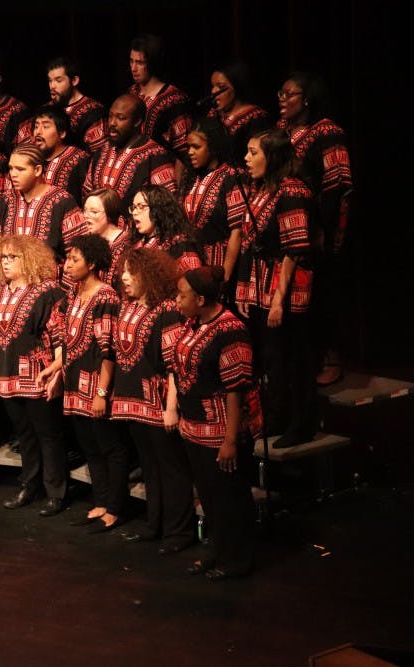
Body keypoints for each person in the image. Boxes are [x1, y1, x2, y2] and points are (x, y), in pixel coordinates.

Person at [174, 265, 262, 580]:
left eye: (182, 295)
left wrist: (229, 441)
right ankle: (215, 550)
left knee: (230, 499)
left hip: (221, 432)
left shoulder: (231, 331)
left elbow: (236, 389)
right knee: (209, 497)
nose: (177, 300)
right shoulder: (193, 323)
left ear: (200, 298)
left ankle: (237, 558)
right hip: (195, 429)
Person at [112, 247, 196, 554]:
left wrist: (172, 407)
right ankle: (155, 524)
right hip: (132, 400)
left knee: (171, 468)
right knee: (150, 466)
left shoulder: (167, 311)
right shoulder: (128, 306)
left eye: (131, 272)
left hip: (159, 401)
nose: (124, 277)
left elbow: (175, 364)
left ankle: (179, 532)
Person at [238, 128, 317, 449]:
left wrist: (278, 301)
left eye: (254, 152)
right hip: (261, 285)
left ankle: (302, 423)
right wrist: (246, 291)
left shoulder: (292, 191)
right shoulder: (259, 189)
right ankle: (276, 416)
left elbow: (294, 250)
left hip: (286, 288)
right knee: (271, 357)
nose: (247, 158)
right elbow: (249, 242)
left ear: (273, 156)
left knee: (293, 356)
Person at [275, 71, 353, 387]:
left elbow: (337, 185)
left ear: (306, 99)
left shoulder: (327, 132)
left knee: (323, 294)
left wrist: (326, 231)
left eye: (289, 94)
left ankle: (332, 357)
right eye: (280, 92)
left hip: (316, 226)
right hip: (283, 225)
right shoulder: (280, 131)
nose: (281, 99)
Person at [0, 234, 67, 516]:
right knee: (25, 434)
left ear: (29, 259)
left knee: (48, 434)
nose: (6, 263)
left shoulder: (48, 292)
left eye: (13, 257)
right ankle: (29, 485)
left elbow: (59, 336)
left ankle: (55, 491)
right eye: (3, 258)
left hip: (38, 373)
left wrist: (58, 372)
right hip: (8, 373)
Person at [60, 234, 127, 533]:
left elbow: (108, 349)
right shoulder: (75, 293)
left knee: (109, 446)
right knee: (89, 446)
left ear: (92, 263)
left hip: (95, 385)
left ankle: (115, 507)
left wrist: (102, 392)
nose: (68, 265)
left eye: (75, 259)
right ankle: (100, 500)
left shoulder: (105, 297)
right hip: (75, 383)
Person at [83, 93, 177, 212]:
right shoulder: (102, 151)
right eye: (110, 116)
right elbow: (87, 192)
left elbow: (166, 205)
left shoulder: (155, 155)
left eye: (120, 118)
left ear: (137, 121)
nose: (112, 123)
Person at [180, 117, 245, 284]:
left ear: (213, 147)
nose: (190, 152)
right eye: (188, 147)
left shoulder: (231, 177)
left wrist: (225, 276)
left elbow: (236, 232)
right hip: (191, 264)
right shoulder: (191, 177)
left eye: (196, 147)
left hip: (217, 266)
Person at [0, 144, 85, 264]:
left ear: (37, 170)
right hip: (13, 280)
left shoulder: (62, 202)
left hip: (50, 280)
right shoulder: (7, 200)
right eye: (11, 168)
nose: (13, 174)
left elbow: (77, 253)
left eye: (20, 169)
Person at [127, 34, 193, 169]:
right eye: (131, 61)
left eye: (140, 63)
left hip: (161, 171)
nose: (133, 68)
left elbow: (183, 151)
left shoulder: (174, 100)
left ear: (152, 63)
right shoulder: (132, 92)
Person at [205, 60, 271, 162]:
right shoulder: (213, 115)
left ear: (236, 87)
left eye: (221, 87)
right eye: (213, 86)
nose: (214, 92)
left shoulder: (255, 117)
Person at [129, 185, 204, 272]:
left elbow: (191, 283)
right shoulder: (137, 244)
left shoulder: (179, 247)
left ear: (158, 208)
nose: (134, 212)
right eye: (134, 207)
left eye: (141, 207)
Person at [45, 55, 108, 155]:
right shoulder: (47, 110)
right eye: (50, 80)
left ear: (74, 81)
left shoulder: (93, 112)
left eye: (58, 80)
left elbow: (101, 155)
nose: (52, 86)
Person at [33, 104, 91, 204]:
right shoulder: (31, 159)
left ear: (62, 133)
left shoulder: (79, 159)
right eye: (36, 126)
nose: (38, 132)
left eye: (46, 126)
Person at [82, 187, 129, 291]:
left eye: (94, 212)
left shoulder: (126, 244)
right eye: (85, 211)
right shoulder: (88, 241)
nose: (86, 216)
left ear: (110, 214)